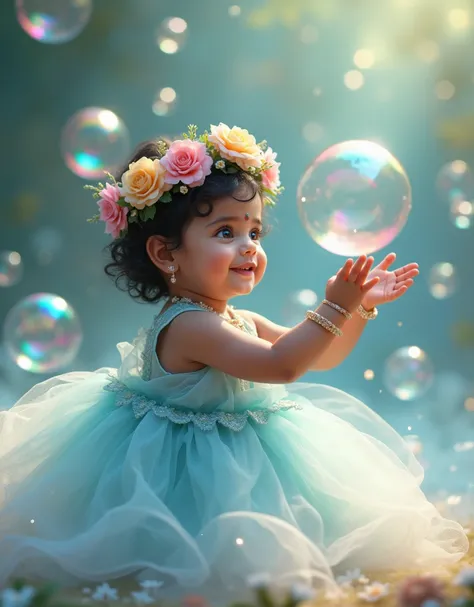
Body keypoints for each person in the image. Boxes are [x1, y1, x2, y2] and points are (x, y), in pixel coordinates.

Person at [0, 123, 468, 600]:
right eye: (226, 231)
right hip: (184, 474)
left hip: (238, 461)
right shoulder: (191, 325)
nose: (249, 246)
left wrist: (358, 308)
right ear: (165, 253)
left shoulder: (237, 318)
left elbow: (320, 355)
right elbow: (282, 366)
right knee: (214, 559)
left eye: (254, 231)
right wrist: (333, 306)